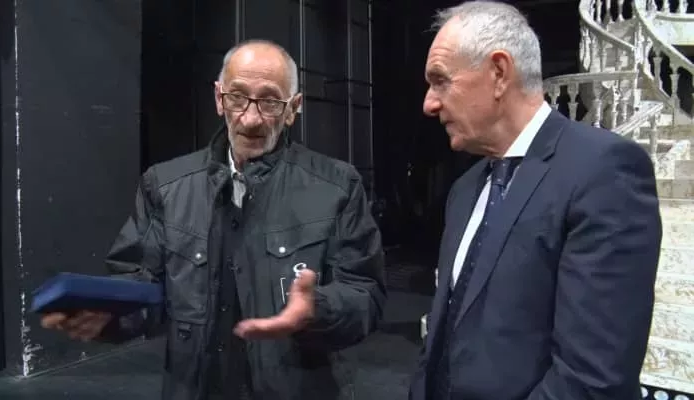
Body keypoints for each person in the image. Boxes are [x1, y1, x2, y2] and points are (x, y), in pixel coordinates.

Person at [41, 39, 386, 400]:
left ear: (293, 109)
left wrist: (318, 309)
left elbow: (365, 293)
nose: (251, 118)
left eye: (270, 102)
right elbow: (142, 285)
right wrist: (110, 315)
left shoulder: (337, 186)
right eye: (238, 97)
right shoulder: (165, 185)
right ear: (219, 99)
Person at [410, 2, 661, 400]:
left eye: (440, 81)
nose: (429, 103)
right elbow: (443, 338)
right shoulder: (464, 190)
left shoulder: (603, 170)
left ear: (498, 73)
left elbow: (592, 378)